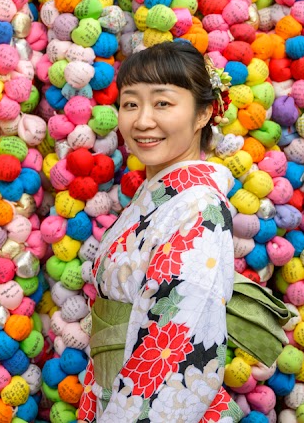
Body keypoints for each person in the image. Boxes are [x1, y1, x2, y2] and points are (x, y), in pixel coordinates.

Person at [77, 41, 243, 422]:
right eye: (131, 103)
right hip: (113, 389)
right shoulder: (156, 200)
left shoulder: (199, 208)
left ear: (203, 113)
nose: (142, 120)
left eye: (163, 103)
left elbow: (174, 343)